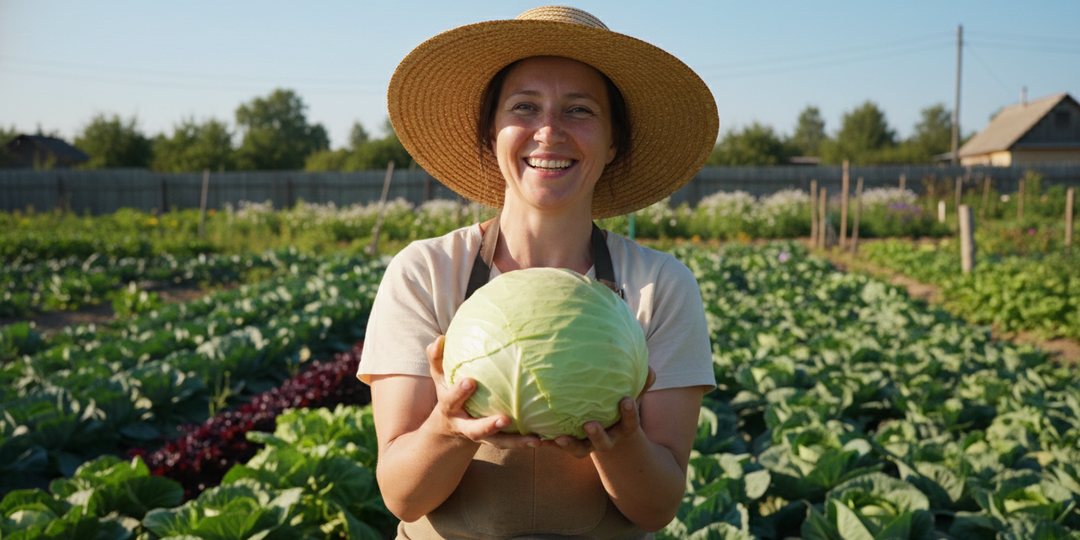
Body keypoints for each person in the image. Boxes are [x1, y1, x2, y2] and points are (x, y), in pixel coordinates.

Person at [357, 6, 719, 540]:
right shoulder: (426, 272)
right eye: (524, 107)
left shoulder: (660, 286)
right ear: (491, 132)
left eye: (580, 111)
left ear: (614, 140)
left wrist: (621, 445)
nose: (549, 131)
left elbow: (656, 507)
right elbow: (403, 496)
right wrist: (448, 429)